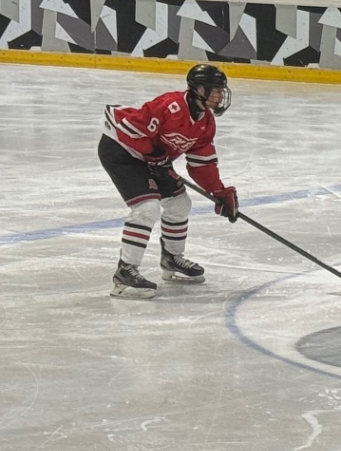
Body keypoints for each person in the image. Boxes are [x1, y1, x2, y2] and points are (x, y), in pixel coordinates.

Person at [99, 64, 239, 298]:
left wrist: (218, 191)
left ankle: (172, 258)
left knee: (179, 204)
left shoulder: (206, 124)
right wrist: (154, 155)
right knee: (147, 208)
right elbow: (130, 130)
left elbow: (202, 163)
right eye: (213, 91)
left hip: (153, 159)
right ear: (197, 90)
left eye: (220, 91)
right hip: (121, 150)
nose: (218, 96)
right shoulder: (170, 106)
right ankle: (125, 270)